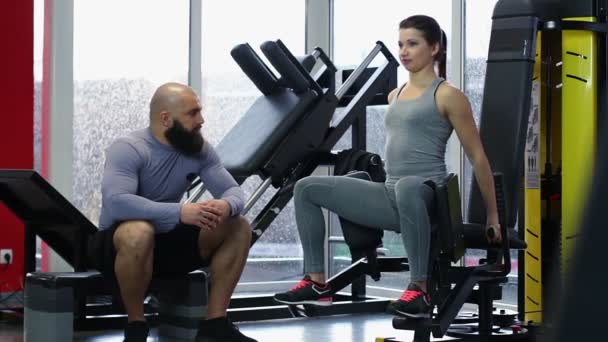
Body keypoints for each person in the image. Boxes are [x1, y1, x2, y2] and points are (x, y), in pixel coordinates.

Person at [273, 15, 502, 319]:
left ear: (434, 48)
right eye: (400, 44)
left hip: (429, 195)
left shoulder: (447, 95)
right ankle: (316, 283)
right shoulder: (395, 95)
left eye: (412, 44)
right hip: (392, 194)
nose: (404, 51)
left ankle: (419, 289)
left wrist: (492, 214)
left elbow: (478, 157)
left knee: (408, 186)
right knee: (306, 188)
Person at [89, 82, 257, 342]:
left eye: (199, 111)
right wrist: (179, 212)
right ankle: (136, 327)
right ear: (165, 118)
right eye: (192, 113)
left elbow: (234, 192)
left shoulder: (198, 149)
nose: (201, 120)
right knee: (139, 230)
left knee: (238, 226)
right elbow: (117, 202)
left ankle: (215, 325)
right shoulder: (129, 148)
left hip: (166, 243)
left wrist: (225, 205)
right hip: (117, 245)